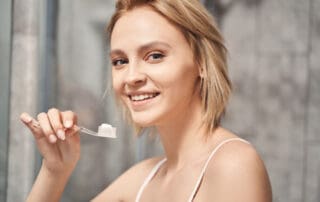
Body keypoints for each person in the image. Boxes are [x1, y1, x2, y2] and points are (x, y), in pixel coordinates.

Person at [20, 0, 272, 201]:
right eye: (120, 61)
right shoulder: (142, 179)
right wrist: (55, 171)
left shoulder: (234, 164)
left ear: (202, 62)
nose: (131, 77)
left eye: (154, 56)